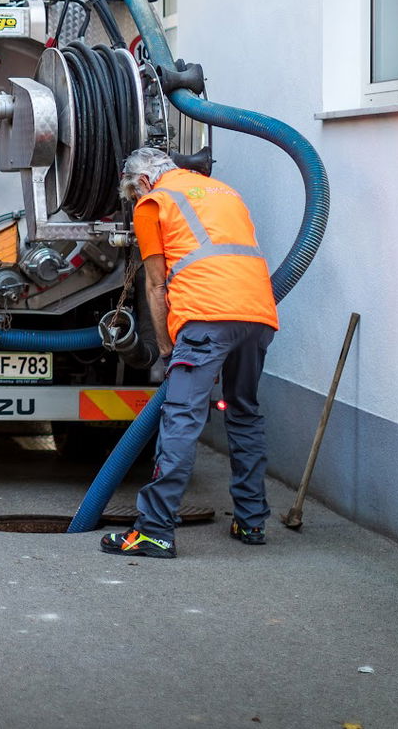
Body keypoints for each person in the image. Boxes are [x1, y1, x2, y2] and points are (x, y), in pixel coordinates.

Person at [105, 147, 279, 559]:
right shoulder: (224, 191)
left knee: (181, 418)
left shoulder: (153, 202)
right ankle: (251, 521)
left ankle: (154, 531)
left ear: (143, 181)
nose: (133, 201)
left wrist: (166, 348)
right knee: (243, 412)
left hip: (204, 317)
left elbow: (155, 284)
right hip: (257, 315)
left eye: (131, 194)